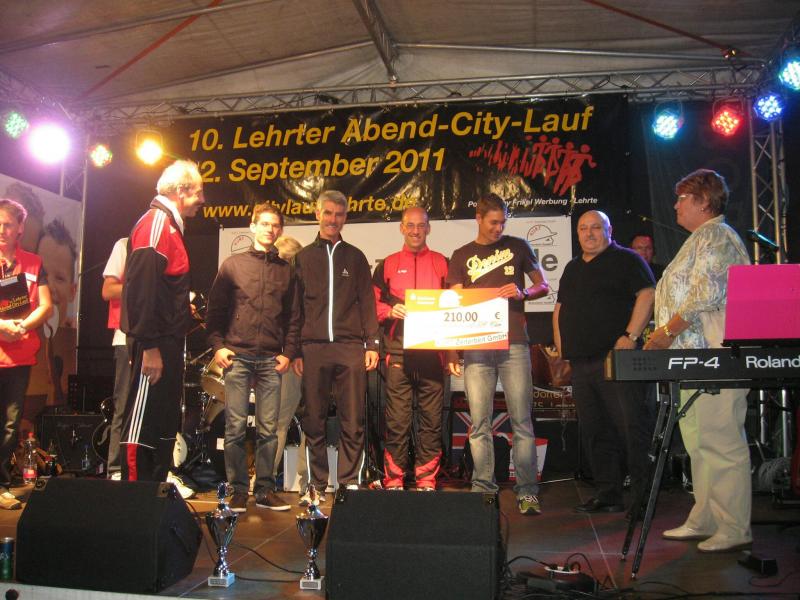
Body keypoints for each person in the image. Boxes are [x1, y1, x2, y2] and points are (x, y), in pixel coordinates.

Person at [645, 169, 751, 553]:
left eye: (682, 198)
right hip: (693, 358)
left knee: (720, 441)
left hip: (716, 356)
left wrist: (666, 331)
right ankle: (706, 516)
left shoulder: (716, 235)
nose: (675, 205)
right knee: (699, 441)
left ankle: (733, 526)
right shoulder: (699, 238)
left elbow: (705, 293)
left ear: (704, 201)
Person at [447, 193, 549, 515]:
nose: (498, 228)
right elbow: (454, 304)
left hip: (514, 344)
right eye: (493, 222)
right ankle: (483, 489)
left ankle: (527, 491)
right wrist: (453, 349)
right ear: (478, 218)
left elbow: (543, 285)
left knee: (522, 421)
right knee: (479, 423)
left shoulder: (518, 246)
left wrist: (523, 292)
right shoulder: (461, 255)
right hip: (477, 347)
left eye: (502, 222)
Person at [553, 210, 655, 514]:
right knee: (596, 431)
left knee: (630, 428)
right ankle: (608, 493)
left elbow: (648, 294)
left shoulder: (627, 259)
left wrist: (631, 335)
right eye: (583, 228)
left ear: (609, 231)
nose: (589, 233)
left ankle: (643, 499)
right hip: (581, 363)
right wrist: (563, 350)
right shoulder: (572, 267)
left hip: (615, 359)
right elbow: (559, 309)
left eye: (596, 227)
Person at [206, 203, 300, 513]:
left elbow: (294, 318)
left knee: (268, 430)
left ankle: (264, 490)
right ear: (253, 226)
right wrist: (218, 346)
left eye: (275, 225)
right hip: (238, 357)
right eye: (265, 224)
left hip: (272, 360)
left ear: (280, 230)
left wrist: (288, 353)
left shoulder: (286, 271)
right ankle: (238, 491)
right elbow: (215, 311)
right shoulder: (232, 265)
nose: (270, 229)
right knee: (234, 427)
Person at [292, 190, 380, 504]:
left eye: (339, 214)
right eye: (327, 213)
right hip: (313, 349)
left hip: (350, 348)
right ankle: (316, 484)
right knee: (313, 420)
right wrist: (295, 350)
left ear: (345, 217)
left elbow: (367, 302)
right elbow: (295, 308)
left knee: (352, 419)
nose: (333, 219)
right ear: (318, 214)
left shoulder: (355, 257)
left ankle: (349, 483)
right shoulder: (302, 258)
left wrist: (372, 343)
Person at [120, 160, 204, 482]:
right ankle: (134, 499)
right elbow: (140, 290)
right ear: (181, 191)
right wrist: (150, 347)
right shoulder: (156, 223)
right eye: (198, 192)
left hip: (166, 343)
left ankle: (154, 495)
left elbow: (161, 288)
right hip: (152, 345)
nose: (202, 200)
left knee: (162, 425)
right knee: (142, 427)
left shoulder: (169, 226)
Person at [373, 206, 449, 491]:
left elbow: (455, 304)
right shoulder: (388, 264)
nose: (416, 231)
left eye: (421, 225)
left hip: (433, 353)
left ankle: (426, 479)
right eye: (410, 225)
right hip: (398, 352)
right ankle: (394, 479)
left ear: (428, 228)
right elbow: (372, 303)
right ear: (401, 228)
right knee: (397, 420)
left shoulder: (442, 263)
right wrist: (389, 312)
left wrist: (453, 353)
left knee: (431, 419)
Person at [0, 198, 52, 509]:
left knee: (10, 423)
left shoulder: (33, 262)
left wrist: (21, 326)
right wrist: (1, 326)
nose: (1, 230)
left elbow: (46, 306)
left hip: (19, 356)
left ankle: (2, 484)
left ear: (20, 227)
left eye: (7, 224)